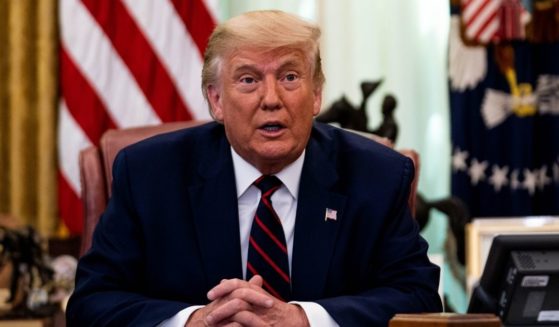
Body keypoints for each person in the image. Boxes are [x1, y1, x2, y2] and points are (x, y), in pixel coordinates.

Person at [66, 10, 442, 327]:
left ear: (316, 95)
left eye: (290, 77)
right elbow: (91, 303)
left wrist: (304, 319)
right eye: (248, 80)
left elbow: (419, 298)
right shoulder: (149, 175)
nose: (271, 99)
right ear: (216, 100)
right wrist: (193, 321)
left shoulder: (376, 175)